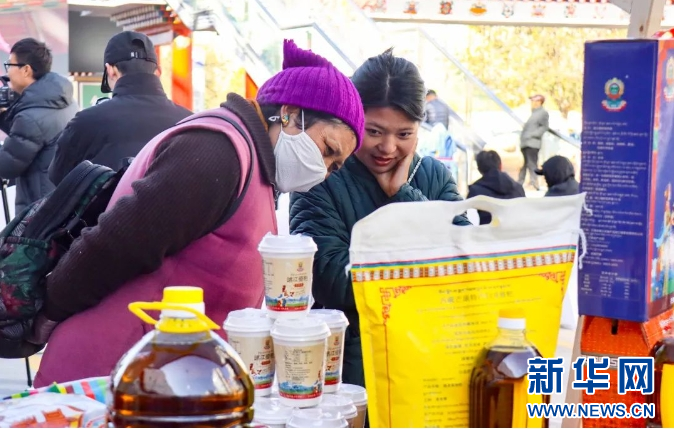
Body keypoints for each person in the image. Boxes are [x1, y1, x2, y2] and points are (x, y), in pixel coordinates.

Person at [30, 39, 365, 386]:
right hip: (111, 377)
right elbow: (115, 244)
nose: (323, 170)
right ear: (291, 113)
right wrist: (48, 311)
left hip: (167, 380)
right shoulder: (218, 151)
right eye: (327, 150)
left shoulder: (255, 166)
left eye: (334, 166)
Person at [289, 49, 470, 389]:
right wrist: (427, 268)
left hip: (428, 361)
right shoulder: (320, 176)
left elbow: (466, 262)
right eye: (374, 131)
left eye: (404, 135)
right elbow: (331, 280)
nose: (387, 148)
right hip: (351, 373)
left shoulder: (432, 175)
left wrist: (404, 194)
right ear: (352, 119)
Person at [48, 31, 191, 185]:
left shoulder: (85, 122)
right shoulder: (188, 122)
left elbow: (58, 176)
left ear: (110, 70)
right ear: (158, 71)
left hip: (110, 201)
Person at [0, 38, 77, 213]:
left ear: (26, 70)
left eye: (9, 65)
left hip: (37, 210)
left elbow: (6, 166)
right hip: (59, 199)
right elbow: (29, 137)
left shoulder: (30, 117)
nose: (7, 73)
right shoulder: (63, 99)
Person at [467, 150, 525, 225]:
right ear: (500, 165)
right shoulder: (518, 188)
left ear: (479, 169)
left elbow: (467, 222)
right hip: (515, 231)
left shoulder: (475, 192)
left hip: (486, 232)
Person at [518, 94, 549, 191]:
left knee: (532, 164)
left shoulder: (542, 113)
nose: (532, 103)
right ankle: (519, 183)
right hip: (526, 143)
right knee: (525, 164)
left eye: (534, 100)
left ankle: (534, 184)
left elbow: (544, 127)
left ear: (539, 102)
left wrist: (532, 135)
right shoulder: (533, 113)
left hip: (532, 143)